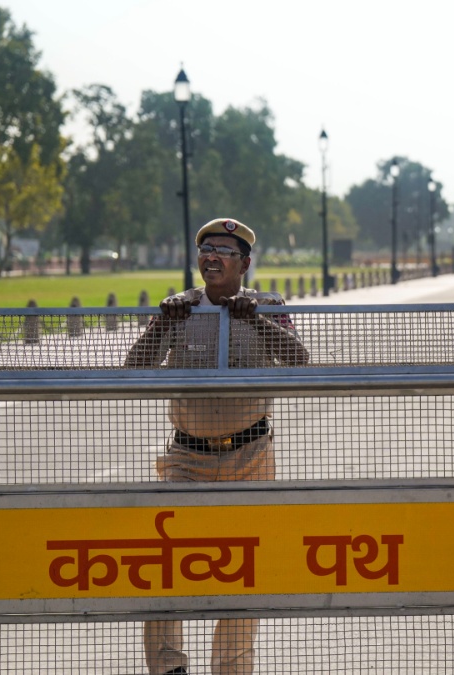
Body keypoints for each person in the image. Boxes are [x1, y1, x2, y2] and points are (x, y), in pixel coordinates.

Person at [126, 218, 309, 675]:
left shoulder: (269, 305)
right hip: (187, 458)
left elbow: (299, 360)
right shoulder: (180, 307)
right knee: (163, 567)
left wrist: (257, 321)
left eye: (224, 251)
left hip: (251, 456)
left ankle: (232, 669)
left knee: (245, 575)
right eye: (206, 249)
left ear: (244, 263)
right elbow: (134, 368)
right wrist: (161, 325)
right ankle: (169, 668)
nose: (212, 257)